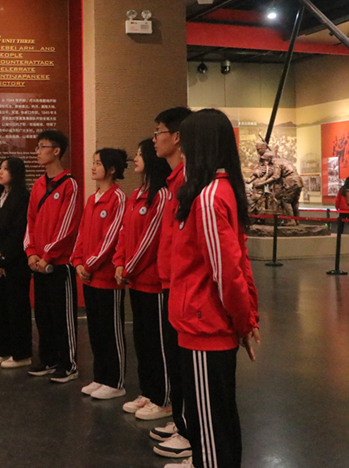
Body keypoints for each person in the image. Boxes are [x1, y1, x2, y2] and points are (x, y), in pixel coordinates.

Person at [168, 109, 260, 468]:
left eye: (186, 141)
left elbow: (227, 272)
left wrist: (244, 321)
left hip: (204, 325)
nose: (182, 148)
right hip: (206, 322)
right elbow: (236, 263)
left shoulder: (209, 198)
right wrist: (246, 318)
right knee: (217, 419)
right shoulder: (220, 191)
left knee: (210, 427)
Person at [113, 139, 172, 420]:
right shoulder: (137, 194)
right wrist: (119, 262)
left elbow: (151, 239)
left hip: (152, 282)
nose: (135, 158)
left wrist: (128, 267)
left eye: (140, 154)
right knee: (142, 340)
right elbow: (124, 232)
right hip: (135, 280)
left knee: (158, 342)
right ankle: (148, 392)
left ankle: (164, 399)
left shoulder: (161, 195)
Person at [151, 106, 194, 460]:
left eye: (159, 132)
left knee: (183, 361)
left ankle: (188, 428)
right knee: (173, 356)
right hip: (168, 281)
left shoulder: (189, 181)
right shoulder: (173, 179)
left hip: (181, 283)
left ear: (177, 137)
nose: (155, 139)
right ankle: (180, 421)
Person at [24, 129, 83, 383]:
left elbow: (67, 226)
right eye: (37, 147)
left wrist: (47, 256)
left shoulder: (70, 184)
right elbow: (30, 221)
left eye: (42, 147)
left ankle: (68, 364)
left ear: (56, 151)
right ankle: (47, 359)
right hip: (38, 263)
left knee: (62, 316)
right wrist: (31, 253)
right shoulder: (38, 184)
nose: (38, 151)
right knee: (43, 315)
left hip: (59, 264)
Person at [72, 148, 128, 398]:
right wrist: (78, 262)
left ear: (112, 169)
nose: (93, 167)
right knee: (95, 330)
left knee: (110, 331)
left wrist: (90, 264)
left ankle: (115, 382)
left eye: (98, 163)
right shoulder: (93, 199)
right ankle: (100, 377)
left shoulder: (118, 198)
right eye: (93, 162)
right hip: (89, 277)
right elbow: (82, 233)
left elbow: (111, 238)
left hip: (106, 278)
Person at [0, 157, 32, 369]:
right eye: (0, 169)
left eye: (6, 169)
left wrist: (3, 260)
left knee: (16, 307)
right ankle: (1, 350)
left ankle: (21, 354)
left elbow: (18, 231)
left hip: (15, 264)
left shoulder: (23, 198)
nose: (0, 172)